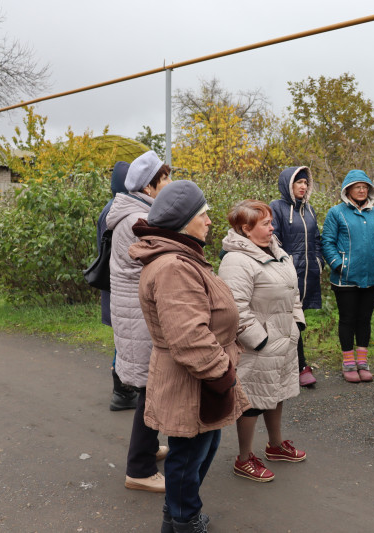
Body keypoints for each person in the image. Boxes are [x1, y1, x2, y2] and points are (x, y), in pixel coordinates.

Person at [130, 180, 249, 533]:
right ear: (184, 222)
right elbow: (190, 338)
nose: (210, 220)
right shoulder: (174, 267)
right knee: (187, 456)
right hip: (194, 380)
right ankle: (184, 522)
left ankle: (177, 515)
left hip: (201, 378)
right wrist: (222, 375)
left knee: (200, 448)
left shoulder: (181, 259)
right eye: (204, 214)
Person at [218, 200, 307, 483]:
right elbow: (236, 309)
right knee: (253, 400)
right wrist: (261, 340)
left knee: (276, 391)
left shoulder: (274, 250)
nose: (273, 227)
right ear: (246, 229)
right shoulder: (236, 260)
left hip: (284, 336)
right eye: (266, 223)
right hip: (260, 344)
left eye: (271, 222)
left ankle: (276, 445)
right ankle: (244, 458)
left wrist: (296, 323)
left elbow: (293, 291)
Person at [106, 151, 172, 493]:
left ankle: (146, 450)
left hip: (136, 314)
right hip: (142, 317)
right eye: (166, 180)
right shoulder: (139, 220)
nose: (170, 186)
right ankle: (139, 469)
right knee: (152, 388)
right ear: (149, 185)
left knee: (152, 387)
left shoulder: (134, 213)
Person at [322, 170, 374, 383]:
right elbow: (327, 242)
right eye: (357, 187)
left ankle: (362, 362)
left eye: (365, 187)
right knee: (348, 319)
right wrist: (339, 264)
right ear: (348, 190)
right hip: (345, 278)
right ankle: (348, 362)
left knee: (364, 319)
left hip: (372, 275)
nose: (362, 190)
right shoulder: (336, 213)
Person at [270, 166, 321, 387]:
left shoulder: (309, 210)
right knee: (290, 320)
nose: (303, 186)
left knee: (297, 319)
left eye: (305, 183)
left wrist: (319, 260)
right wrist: (285, 266)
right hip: (288, 274)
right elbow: (273, 240)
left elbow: (317, 239)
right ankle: (300, 365)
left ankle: (292, 364)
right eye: (298, 182)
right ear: (287, 184)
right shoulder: (277, 207)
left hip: (308, 274)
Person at [99, 161, 138, 412]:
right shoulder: (121, 210)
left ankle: (122, 388)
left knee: (123, 335)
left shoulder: (109, 207)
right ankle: (121, 391)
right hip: (122, 283)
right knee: (125, 336)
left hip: (112, 283)